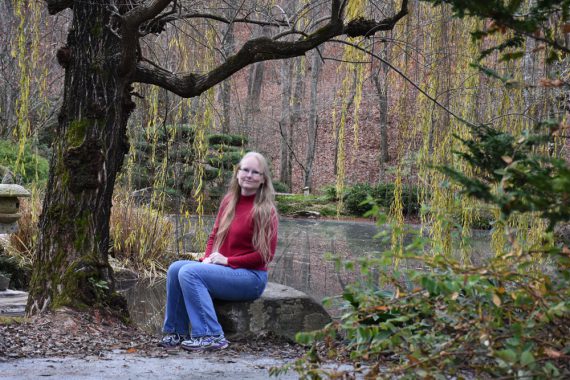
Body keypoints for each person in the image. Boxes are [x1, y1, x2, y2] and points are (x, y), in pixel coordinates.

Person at [158, 151, 279, 351]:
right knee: (175, 268)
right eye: (245, 170)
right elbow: (214, 236)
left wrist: (228, 261)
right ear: (237, 173)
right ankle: (177, 332)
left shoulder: (266, 210)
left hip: (251, 277)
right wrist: (207, 259)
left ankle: (211, 335)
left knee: (189, 272)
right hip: (226, 270)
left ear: (263, 179)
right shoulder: (229, 201)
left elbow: (265, 256)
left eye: (255, 172)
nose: (248, 175)